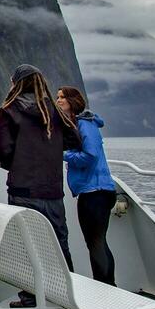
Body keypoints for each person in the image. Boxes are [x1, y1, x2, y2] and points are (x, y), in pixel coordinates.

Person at [0, 63, 82, 307]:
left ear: (16, 84)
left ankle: (32, 296)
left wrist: (18, 164)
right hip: (51, 189)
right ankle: (66, 293)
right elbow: (74, 138)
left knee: (26, 243)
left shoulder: (10, 110)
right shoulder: (52, 111)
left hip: (22, 189)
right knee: (59, 240)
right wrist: (49, 150)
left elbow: (4, 151)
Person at [57, 86, 117, 286]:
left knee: (96, 243)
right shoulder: (79, 124)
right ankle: (107, 286)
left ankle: (107, 288)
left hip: (95, 192)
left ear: (72, 101)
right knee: (96, 242)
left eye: (62, 97)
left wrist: (62, 154)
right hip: (94, 191)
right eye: (57, 97)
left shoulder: (85, 124)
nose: (58, 101)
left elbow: (89, 156)